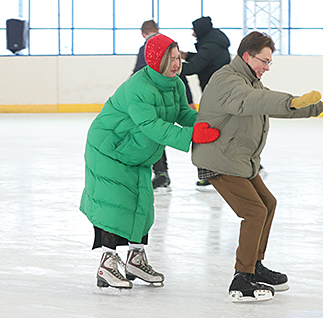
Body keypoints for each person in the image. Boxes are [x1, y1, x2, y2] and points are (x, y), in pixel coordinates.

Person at [191, 31, 323, 302]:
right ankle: (241, 277)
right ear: (247, 56)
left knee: (267, 204)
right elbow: (256, 102)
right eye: (263, 61)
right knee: (254, 211)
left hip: (239, 160)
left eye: (269, 62)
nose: (267, 67)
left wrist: (317, 107)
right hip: (219, 159)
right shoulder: (227, 79)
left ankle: (255, 266)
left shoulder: (250, 81)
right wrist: (291, 100)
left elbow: (274, 105)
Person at [80, 34, 220, 289]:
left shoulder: (174, 83)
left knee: (142, 205)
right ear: (157, 60)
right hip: (109, 149)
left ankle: (135, 259)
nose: (177, 64)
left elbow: (182, 113)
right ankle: (107, 264)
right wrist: (192, 136)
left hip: (136, 152)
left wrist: (206, 122)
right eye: (171, 59)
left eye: (178, 58)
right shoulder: (138, 87)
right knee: (114, 206)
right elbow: (150, 125)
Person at [132, 20, 195, 191]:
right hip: (152, 103)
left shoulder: (157, 52)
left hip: (155, 102)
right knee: (155, 132)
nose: (175, 64)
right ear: (157, 29)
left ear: (142, 33)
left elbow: (137, 73)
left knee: (155, 133)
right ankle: (161, 172)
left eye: (176, 59)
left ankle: (161, 173)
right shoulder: (162, 50)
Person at [179, 16, 233, 192]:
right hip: (222, 93)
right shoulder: (214, 41)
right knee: (224, 129)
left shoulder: (209, 46)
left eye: (194, 30)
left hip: (215, 96)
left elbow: (194, 67)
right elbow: (203, 59)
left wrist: (173, 67)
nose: (193, 34)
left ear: (201, 31)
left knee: (211, 132)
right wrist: (186, 56)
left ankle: (212, 174)